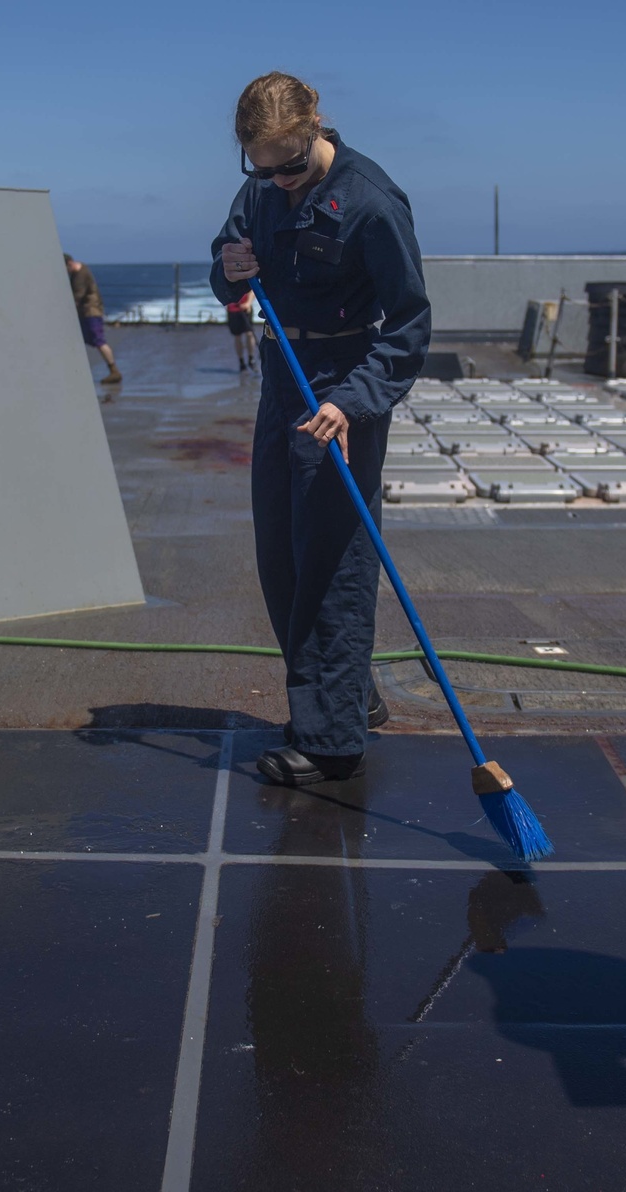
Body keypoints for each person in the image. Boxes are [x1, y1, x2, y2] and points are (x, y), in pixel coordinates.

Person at [210, 72, 430, 787]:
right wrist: (230, 268)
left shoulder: (372, 201)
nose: (277, 180)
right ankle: (350, 696)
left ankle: (332, 740)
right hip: (283, 373)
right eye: (262, 168)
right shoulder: (262, 187)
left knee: (332, 558)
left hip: (341, 380)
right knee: (280, 550)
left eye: (290, 165)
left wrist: (357, 401)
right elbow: (229, 258)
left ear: (315, 129)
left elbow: (408, 325)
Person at [64, 254, 122, 384]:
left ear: (69, 264)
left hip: (91, 311)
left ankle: (114, 371)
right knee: (86, 340)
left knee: (99, 341)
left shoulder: (80, 274)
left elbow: (78, 296)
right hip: (87, 311)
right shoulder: (78, 272)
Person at [226, 288, 257, 371]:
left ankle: (251, 357)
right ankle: (241, 361)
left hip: (246, 308)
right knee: (237, 336)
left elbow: (252, 290)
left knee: (249, 333)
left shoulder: (245, 276)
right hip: (233, 310)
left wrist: (248, 303)